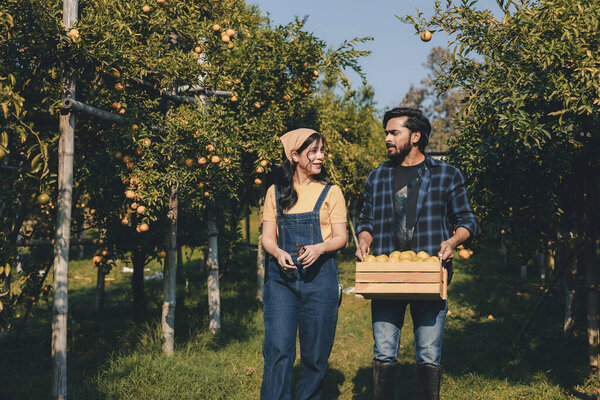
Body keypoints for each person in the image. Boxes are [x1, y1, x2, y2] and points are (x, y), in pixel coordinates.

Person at [355, 108, 478, 400]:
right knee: (384, 351)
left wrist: (452, 240)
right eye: (386, 132)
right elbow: (366, 222)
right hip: (386, 275)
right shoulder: (377, 177)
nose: (387, 138)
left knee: (428, 352)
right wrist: (363, 239)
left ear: (415, 136)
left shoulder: (447, 175)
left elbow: (468, 221)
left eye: (393, 132)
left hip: (429, 274)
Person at [260, 128, 347, 400]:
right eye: (313, 151)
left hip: (320, 281)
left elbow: (341, 237)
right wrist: (277, 253)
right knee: (278, 350)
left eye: (322, 150)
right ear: (294, 155)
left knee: (315, 355)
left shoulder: (332, 192)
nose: (320, 156)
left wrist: (320, 247)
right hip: (281, 283)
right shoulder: (275, 193)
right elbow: (267, 238)